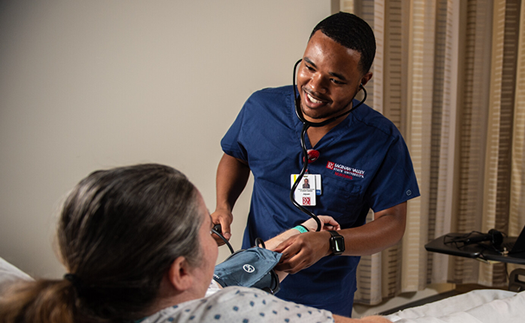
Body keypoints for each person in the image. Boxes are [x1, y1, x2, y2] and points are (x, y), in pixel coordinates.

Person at [212, 12, 420, 316]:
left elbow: (392, 223)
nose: (315, 86)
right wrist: (223, 205)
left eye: (336, 80)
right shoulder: (261, 109)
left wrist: (331, 242)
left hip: (325, 293)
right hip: (252, 277)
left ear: (364, 80)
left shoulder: (381, 140)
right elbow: (235, 156)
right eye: (309, 67)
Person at [0, 164, 390, 323]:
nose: (217, 234)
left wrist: (306, 230)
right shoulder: (236, 311)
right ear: (180, 271)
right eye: (208, 228)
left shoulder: (99, 299)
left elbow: (224, 277)